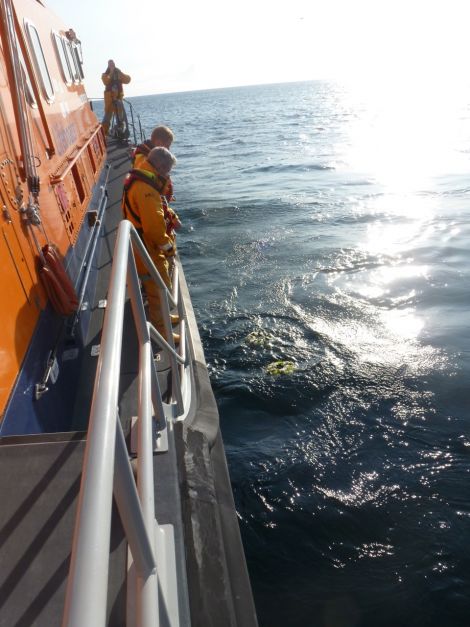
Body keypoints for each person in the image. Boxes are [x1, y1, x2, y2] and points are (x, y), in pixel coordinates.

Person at [122, 147, 179, 343]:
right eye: (168, 170)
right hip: (147, 250)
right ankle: (163, 334)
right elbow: (154, 228)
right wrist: (169, 248)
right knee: (158, 290)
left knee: (159, 290)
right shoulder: (147, 190)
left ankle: (164, 318)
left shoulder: (142, 180)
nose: (168, 174)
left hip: (143, 247)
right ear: (161, 167)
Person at [101, 60, 131, 136]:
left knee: (120, 117)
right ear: (108, 66)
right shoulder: (105, 75)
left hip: (118, 99)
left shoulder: (119, 74)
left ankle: (120, 131)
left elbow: (128, 80)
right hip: (110, 100)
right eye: (110, 65)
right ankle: (104, 133)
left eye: (113, 64)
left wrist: (120, 72)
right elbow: (106, 81)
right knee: (107, 116)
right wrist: (111, 72)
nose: (112, 66)